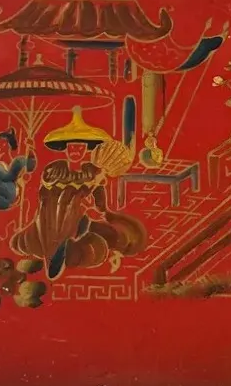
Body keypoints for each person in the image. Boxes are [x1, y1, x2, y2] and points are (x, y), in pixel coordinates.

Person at [10, 107, 146, 279]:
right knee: (53, 220)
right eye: (72, 147)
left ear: (85, 149)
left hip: (80, 219)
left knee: (99, 238)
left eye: (79, 148)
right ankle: (56, 249)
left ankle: (64, 249)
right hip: (50, 218)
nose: (75, 151)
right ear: (66, 149)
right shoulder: (55, 169)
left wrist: (95, 203)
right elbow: (46, 197)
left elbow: (99, 203)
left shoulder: (92, 171)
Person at [0, 128, 35, 211]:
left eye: (2, 143)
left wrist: (31, 149)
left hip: (17, 198)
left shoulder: (17, 161)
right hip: (5, 198)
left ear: (9, 145)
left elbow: (31, 166)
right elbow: (5, 179)